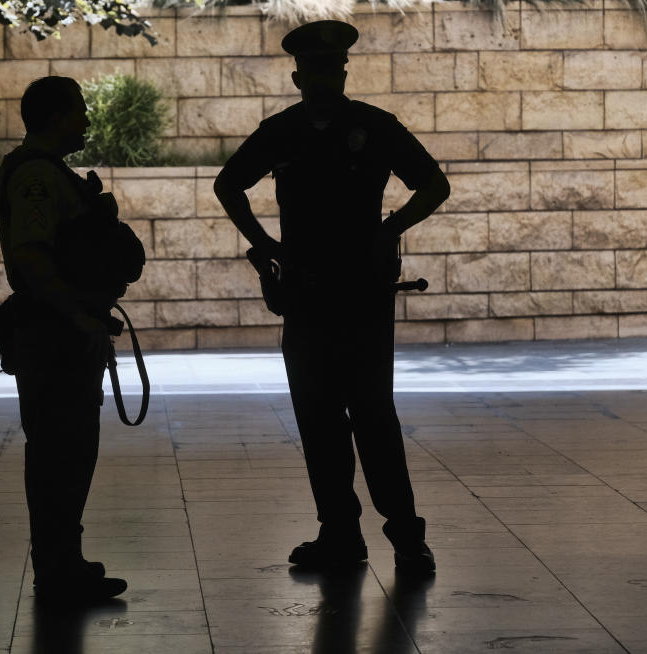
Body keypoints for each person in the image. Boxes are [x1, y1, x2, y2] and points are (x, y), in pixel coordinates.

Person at [214, 21, 451, 574]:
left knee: (373, 416)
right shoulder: (281, 131)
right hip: (306, 295)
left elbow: (434, 185)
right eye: (314, 70)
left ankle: (407, 536)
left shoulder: (374, 126)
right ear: (298, 76)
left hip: (362, 296)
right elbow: (229, 185)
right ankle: (340, 534)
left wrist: (388, 229)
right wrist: (266, 245)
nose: (324, 77)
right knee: (318, 419)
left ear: (343, 72)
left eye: (333, 68)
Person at [0, 76, 127, 602]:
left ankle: (64, 561)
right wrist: (76, 315)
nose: (86, 120)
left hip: (66, 329)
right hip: (55, 334)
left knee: (71, 451)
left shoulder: (50, 174)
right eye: (80, 111)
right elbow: (31, 256)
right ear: (55, 117)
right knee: (58, 454)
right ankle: (56, 570)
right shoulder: (35, 177)